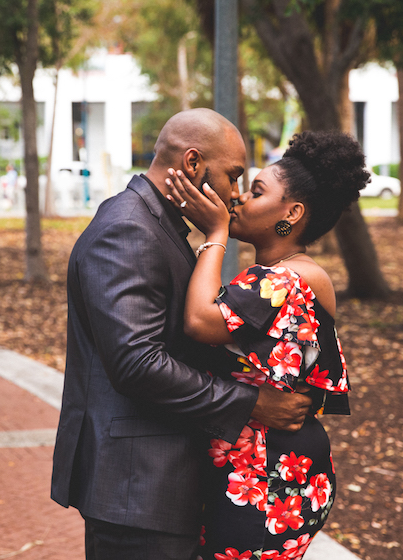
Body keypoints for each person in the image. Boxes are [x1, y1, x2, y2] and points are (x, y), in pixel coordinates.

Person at [51, 108, 314, 560]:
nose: (235, 194)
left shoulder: (155, 225)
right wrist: (253, 404)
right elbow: (138, 364)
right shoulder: (128, 229)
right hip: (138, 491)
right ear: (192, 164)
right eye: (233, 177)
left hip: (154, 488)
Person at [164, 130, 370, 559]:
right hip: (262, 466)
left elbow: (201, 321)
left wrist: (215, 233)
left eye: (256, 190)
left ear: (291, 213)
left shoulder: (285, 279)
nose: (237, 199)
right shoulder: (285, 273)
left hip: (267, 473)